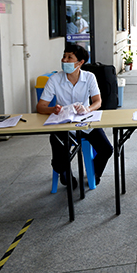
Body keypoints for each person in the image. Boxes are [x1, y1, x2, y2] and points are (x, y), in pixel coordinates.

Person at [36, 43, 113, 189]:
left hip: (85, 122)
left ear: (80, 63)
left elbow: (98, 101)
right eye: (64, 56)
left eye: (69, 57)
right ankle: (64, 173)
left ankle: (94, 172)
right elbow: (40, 107)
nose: (64, 60)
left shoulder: (89, 77)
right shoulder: (54, 79)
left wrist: (88, 109)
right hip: (63, 123)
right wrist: (53, 109)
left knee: (106, 149)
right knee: (57, 144)